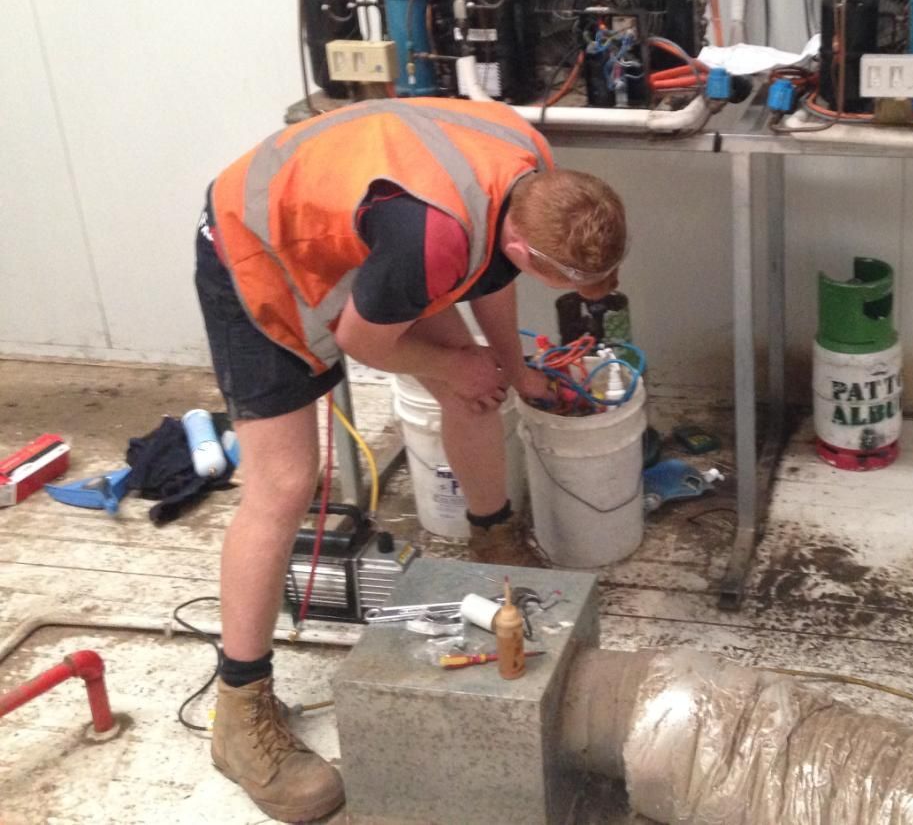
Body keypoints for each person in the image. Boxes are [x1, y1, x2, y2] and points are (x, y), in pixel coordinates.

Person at [193, 97, 625, 823]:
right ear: (526, 245)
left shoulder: (531, 170)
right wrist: (457, 368)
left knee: (475, 384)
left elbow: (493, 274)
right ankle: (239, 711)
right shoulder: (432, 239)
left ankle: (493, 540)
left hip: (367, 233)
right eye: (566, 282)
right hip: (256, 245)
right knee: (285, 481)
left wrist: (509, 370)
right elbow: (367, 340)